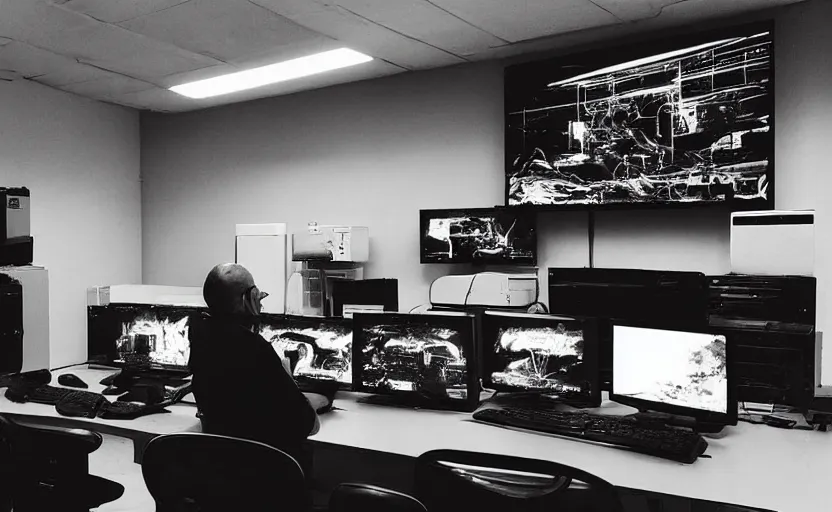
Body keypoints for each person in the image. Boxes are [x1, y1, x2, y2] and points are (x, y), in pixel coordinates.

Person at [188, 263, 321, 466]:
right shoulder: (256, 350)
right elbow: (310, 426)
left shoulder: (201, 339)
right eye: (256, 294)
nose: (260, 302)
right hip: (266, 476)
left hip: (224, 473)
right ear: (247, 299)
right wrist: (288, 380)